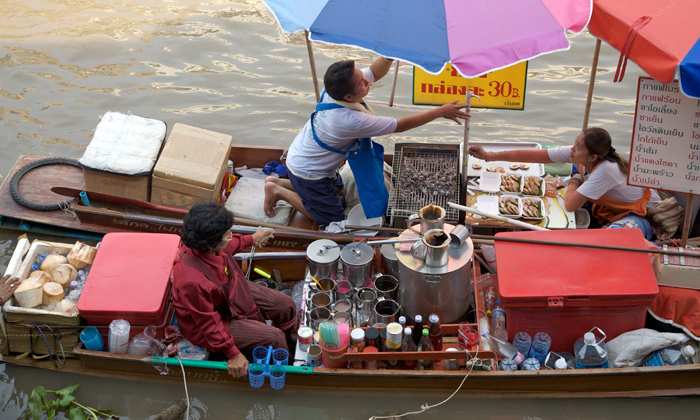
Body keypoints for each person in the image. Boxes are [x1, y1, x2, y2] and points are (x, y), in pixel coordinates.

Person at [264, 56, 471, 228]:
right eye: (362, 82)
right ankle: (278, 191)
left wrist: (390, 56)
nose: (368, 81)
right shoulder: (351, 120)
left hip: (301, 156)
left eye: (362, 76)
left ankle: (278, 181)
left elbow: (373, 71)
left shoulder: (333, 90)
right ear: (348, 95)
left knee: (337, 194)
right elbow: (400, 125)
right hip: (309, 172)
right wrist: (440, 112)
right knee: (332, 220)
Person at [172, 201, 297, 379]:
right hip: (217, 319)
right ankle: (288, 368)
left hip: (230, 290)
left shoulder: (211, 246)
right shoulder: (192, 282)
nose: (231, 236)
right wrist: (233, 354)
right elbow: (208, 323)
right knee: (274, 338)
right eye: (227, 234)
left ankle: (291, 339)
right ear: (210, 244)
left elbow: (230, 245)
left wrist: (252, 238)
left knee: (286, 304)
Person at [468, 127, 661, 239]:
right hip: (606, 204)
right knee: (554, 184)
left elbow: (570, 204)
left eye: (578, 146)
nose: (572, 149)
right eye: (575, 142)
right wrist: (489, 156)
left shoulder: (606, 170)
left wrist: (576, 180)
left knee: (608, 240)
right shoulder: (582, 155)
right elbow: (537, 155)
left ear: (592, 156)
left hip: (643, 215)